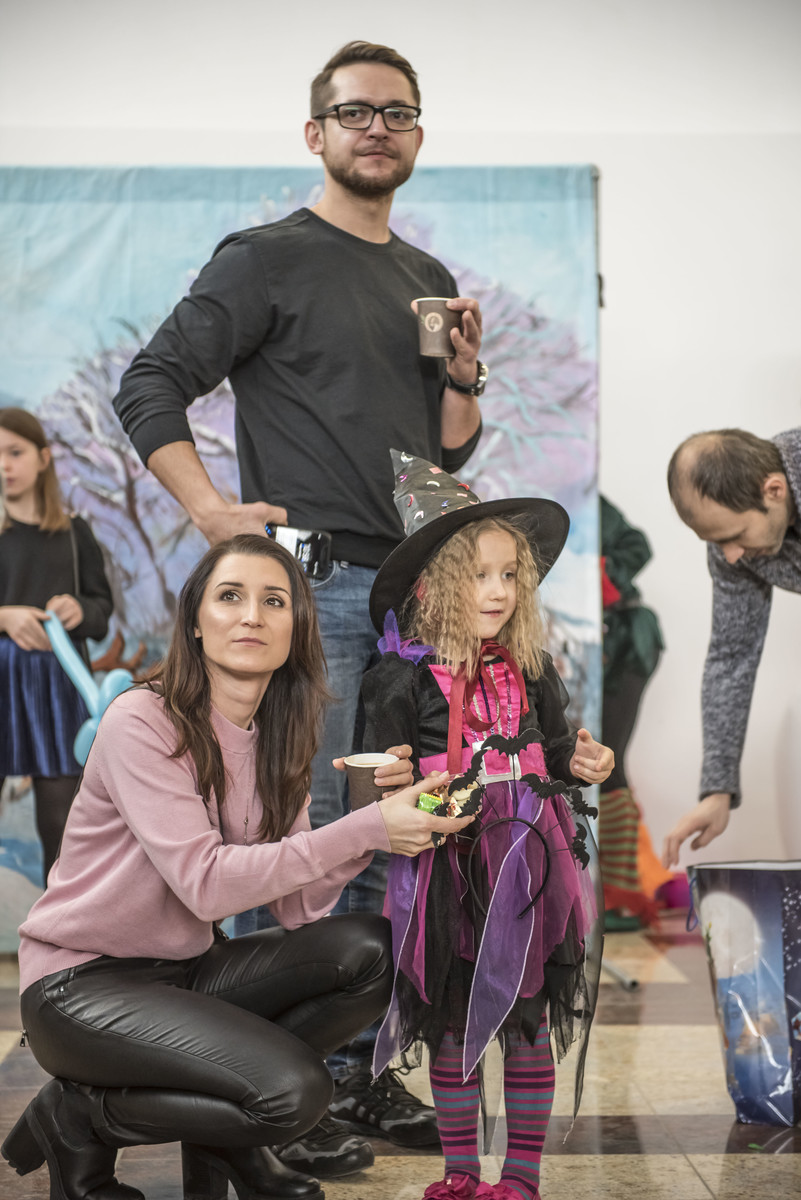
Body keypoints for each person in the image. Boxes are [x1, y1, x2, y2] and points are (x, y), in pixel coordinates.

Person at [111, 39, 485, 1165]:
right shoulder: (264, 259)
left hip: (412, 597)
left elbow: (442, 452)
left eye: (397, 113)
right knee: (294, 839)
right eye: (355, 112)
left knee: (382, 842)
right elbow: (150, 384)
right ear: (315, 133)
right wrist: (213, 512)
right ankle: (265, 1099)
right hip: (313, 591)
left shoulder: (423, 275)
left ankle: (349, 1074)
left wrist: (462, 380)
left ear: (418, 135)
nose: (378, 128)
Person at [1, 533, 475, 1200]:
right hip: (80, 988)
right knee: (295, 1093)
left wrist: (374, 819)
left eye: (274, 601)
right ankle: (78, 1117)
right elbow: (206, 885)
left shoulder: (279, 737)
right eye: (230, 596)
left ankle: (228, 1130)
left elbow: (298, 908)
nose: (252, 615)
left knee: (372, 950)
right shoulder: (142, 720)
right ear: (196, 622)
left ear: (296, 628)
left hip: (184, 973)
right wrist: (364, 828)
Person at [360, 453, 612, 1200]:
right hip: (447, 866)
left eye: (509, 575)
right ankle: (461, 1170)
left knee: (527, 1016)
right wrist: (393, 778)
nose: (498, 591)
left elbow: (557, 752)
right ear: (432, 585)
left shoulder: (532, 669)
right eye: (478, 575)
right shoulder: (400, 676)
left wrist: (583, 762)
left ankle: (522, 1177)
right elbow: (384, 771)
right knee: (451, 1017)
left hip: (530, 864)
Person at [662, 427, 801, 867]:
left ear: (774, 490)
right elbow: (732, 657)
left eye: (737, 535)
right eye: (716, 542)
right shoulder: (732, 547)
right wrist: (717, 789)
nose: (731, 556)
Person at [0, 407, 112, 885]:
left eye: (15, 452)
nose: (4, 464)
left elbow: (102, 612)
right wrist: (4, 617)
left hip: (58, 692)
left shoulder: (73, 532)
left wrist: (79, 610)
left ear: (43, 458)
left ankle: (59, 931)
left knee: (63, 829)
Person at [598, 495, 667, 928]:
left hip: (625, 642)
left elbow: (637, 545)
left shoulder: (582, 498)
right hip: (581, 646)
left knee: (607, 757)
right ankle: (602, 891)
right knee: (584, 758)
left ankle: (619, 895)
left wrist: (601, 575)